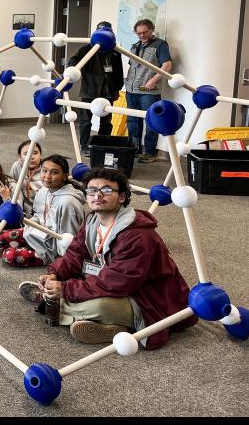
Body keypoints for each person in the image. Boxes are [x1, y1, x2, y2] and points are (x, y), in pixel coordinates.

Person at [18, 168, 198, 347]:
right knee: (76, 289)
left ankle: (50, 301)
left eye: (106, 190)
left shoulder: (138, 236)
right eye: (92, 190)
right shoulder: (92, 220)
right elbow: (75, 254)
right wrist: (55, 273)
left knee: (97, 306)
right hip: (110, 281)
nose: (98, 195)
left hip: (147, 299)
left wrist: (65, 289)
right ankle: (108, 325)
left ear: (121, 197)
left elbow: (117, 282)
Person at [4, 154, 86, 266]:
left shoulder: (68, 203)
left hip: (53, 249)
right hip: (40, 234)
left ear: (65, 176)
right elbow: (38, 215)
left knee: (9, 256)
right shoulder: (44, 190)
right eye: (44, 171)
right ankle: (30, 244)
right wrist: (30, 225)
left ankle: (41, 255)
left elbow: (69, 239)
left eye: (54, 172)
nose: (47, 176)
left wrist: (59, 261)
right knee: (1, 240)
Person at [67, 21, 124, 157]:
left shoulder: (114, 51)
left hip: (108, 92)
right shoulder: (86, 49)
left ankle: (101, 144)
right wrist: (75, 72)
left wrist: (117, 89)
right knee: (86, 121)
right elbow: (72, 62)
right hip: (89, 91)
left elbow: (119, 73)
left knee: (106, 122)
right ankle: (84, 146)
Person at [124, 19, 173, 164]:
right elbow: (133, 67)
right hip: (131, 90)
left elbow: (167, 65)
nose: (142, 35)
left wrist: (153, 80)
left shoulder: (160, 45)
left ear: (152, 30)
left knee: (151, 121)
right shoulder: (134, 46)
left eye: (145, 32)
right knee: (133, 121)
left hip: (148, 92)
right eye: (139, 33)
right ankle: (135, 149)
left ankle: (150, 152)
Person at [9, 140, 43, 219]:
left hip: (44, 208)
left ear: (40, 155)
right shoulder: (17, 166)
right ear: (20, 157)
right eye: (26, 153)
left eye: (35, 153)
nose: (31, 157)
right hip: (25, 207)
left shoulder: (46, 168)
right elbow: (11, 186)